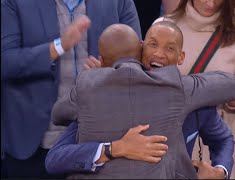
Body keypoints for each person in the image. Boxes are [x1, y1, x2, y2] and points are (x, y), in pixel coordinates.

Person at [50, 22, 235, 179]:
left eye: (169, 48)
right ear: (140, 48)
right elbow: (55, 159)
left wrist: (221, 172)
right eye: (153, 44)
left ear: (180, 57)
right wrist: (114, 149)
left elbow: (223, 138)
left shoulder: (188, 93)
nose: (159, 53)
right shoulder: (94, 94)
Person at [1, 0, 141, 178]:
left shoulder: (118, 2)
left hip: (102, 144)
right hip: (34, 144)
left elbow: (137, 63)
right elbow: (6, 62)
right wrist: (58, 46)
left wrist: (110, 73)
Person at [156, 0, 235, 178]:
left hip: (220, 142)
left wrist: (234, 97)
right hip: (170, 139)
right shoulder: (164, 27)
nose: (210, 4)